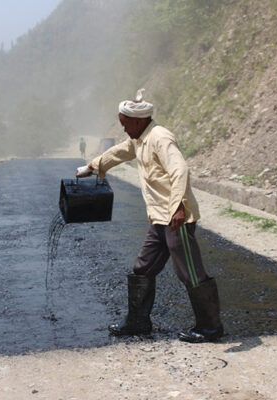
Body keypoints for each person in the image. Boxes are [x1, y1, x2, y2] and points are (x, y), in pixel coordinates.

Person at [76, 89, 223, 343]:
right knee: (142, 268)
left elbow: (179, 169)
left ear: (138, 121)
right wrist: (92, 166)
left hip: (177, 218)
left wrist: (178, 206)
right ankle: (138, 322)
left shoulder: (160, 138)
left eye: (124, 124)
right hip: (159, 218)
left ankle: (210, 327)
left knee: (190, 271)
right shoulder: (138, 138)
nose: (123, 130)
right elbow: (120, 152)